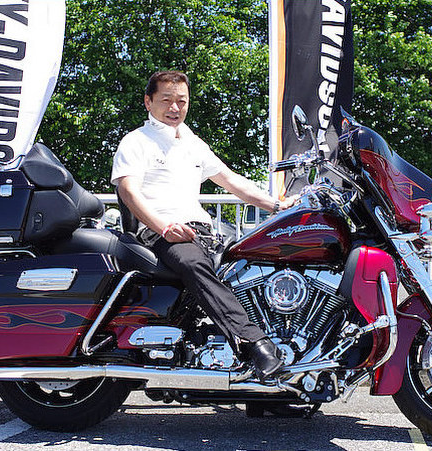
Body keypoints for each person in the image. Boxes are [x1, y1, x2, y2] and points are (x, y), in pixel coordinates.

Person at [111, 70, 297, 378]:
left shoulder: (192, 142)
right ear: (148, 102)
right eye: (166, 100)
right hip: (161, 232)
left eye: (181, 101)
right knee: (193, 264)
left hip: (201, 232)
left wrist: (277, 205)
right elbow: (128, 191)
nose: (174, 108)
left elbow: (231, 181)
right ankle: (254, 345)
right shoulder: (136, 141)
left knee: (254, 261)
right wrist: (164, 227)